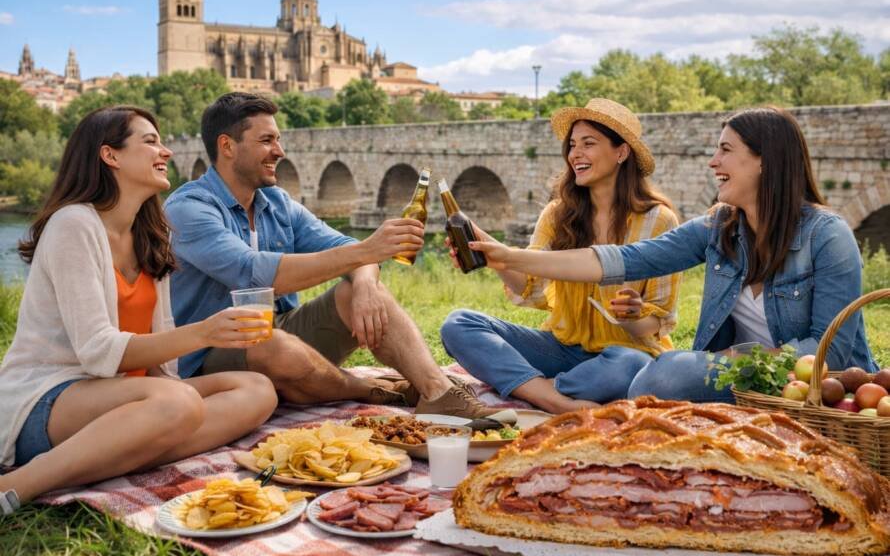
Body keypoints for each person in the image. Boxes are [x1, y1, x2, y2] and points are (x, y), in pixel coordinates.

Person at [466, 106, 878, 403]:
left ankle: (565, 389)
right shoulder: (719, 227)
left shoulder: (828, 235)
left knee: (659, 375)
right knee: (655, 376)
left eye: (725, 150)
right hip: (735, 377)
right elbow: (618, 260)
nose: (713, 162)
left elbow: (831, 351)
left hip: (805, 383)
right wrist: (508, 257)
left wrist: (739, 356)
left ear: (765, 162)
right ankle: (566, 391)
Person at [0, 107, 278, 515]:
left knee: (257, 390)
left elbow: (162, 368)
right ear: (110, 155)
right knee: (179, 403)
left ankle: (113, 452)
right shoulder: (73, 224)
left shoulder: (151, 233)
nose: (164, 150)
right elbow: (97, 352)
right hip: (47, 399)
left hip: (128, 400)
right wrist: (204, 333)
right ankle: (16, 485)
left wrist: (170, 389)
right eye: (150, 141)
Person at [164, 92, 497, 418]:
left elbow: (344, 246)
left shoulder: (277, 203)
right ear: (227, 146)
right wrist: (366, 250)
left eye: (278, 139)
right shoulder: (189, 208)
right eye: (267, 140)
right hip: (211, 354)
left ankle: (437, 391)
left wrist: (365, 282)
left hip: (280, 331)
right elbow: (253, 272)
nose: (279, 151)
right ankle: (372, 389)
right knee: (273, 344)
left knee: (358, 291)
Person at [440, 98, 681, 414]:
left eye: (588, 144)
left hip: (626, 351)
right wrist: (495, 258)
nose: (575, 154)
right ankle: (553, 396)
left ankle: (535, 387)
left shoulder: (659, 221)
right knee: (459, 324)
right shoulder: (557, 215)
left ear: (621, 152)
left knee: (630, 365)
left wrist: (633, 315)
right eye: (572, 145)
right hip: (561, 349)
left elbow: (655, 323)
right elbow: (532, 288)